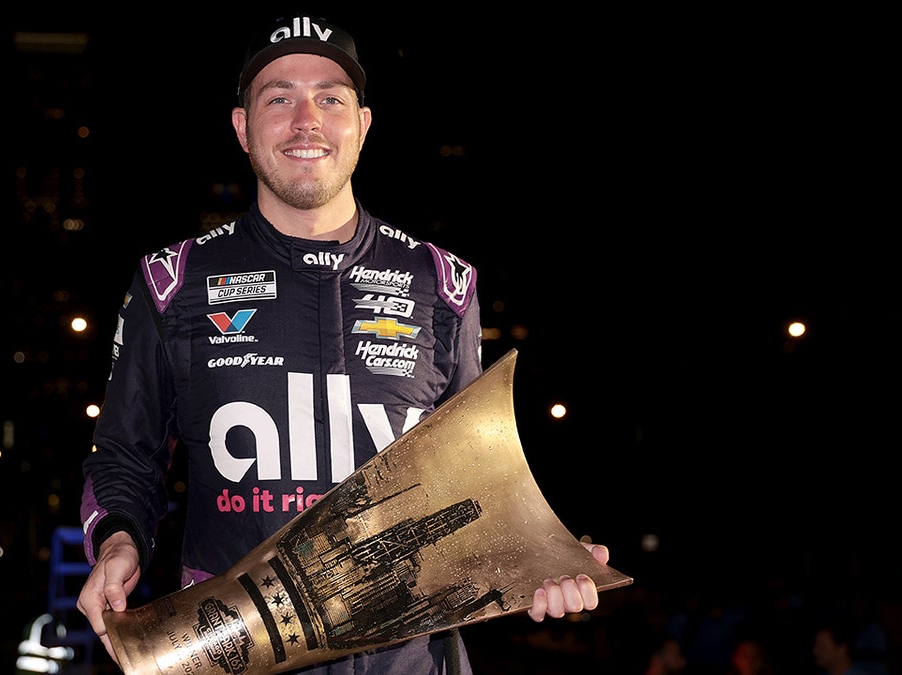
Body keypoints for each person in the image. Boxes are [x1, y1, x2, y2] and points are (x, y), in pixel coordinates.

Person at [76, 12, 614, 673]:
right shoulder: (174, 281)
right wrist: (117, 542)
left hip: (412, 659)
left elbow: (478, 487)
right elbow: (124, 455)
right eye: (278, 99)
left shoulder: (444, 284)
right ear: (242, 127)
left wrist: (536, 560)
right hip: (232, 654)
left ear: (362, 124)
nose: (306, 121)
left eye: (330, 99)